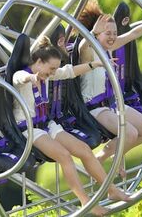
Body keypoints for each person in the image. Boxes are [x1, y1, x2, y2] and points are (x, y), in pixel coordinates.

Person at [12, 36, 130, 216]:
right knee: (65, 156)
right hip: (29, 128)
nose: (52, 73)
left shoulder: (48, 75)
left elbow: (70, 71)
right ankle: (85, 202)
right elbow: (20, 78)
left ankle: (111, 189)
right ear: (38, 62)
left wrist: (95, 64)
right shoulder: (22, 75)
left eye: (54, 70)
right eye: (50, 69)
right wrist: (32, 77)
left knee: (83, 149)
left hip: (47, 124)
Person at [76, 0, 142, 177]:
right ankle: (107, 163)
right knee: (131, 133)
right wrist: (93, 33)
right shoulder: (88, 52)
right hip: (95, 108)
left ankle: (108, 158)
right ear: (97, 34)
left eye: (114, 33)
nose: (112, 37)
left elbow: (133, 34)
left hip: (113, 104)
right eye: (107, 33)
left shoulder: (110, 46)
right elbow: (82, 47)